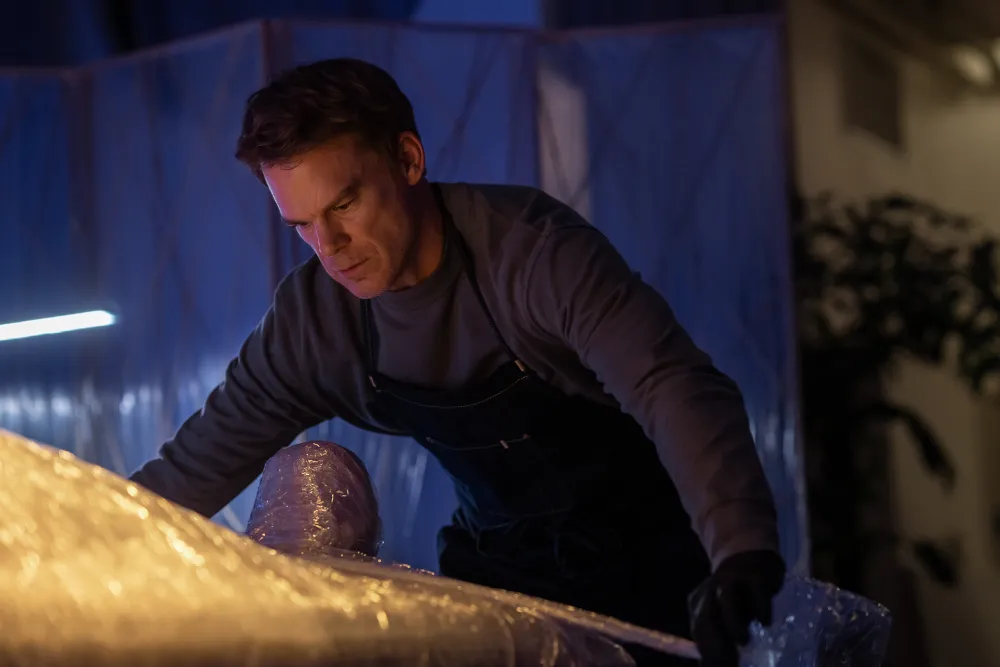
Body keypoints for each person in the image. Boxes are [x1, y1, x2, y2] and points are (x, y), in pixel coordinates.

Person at [129, 58, 785, 667]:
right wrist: (83, 555)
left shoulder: (534, 256)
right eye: (300, 224)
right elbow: (190, 472)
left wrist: (740, 546)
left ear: (408, 159)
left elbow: (670, 384)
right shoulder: (316, 322)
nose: (329, 246)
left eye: (344, 204)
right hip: (501, 579)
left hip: (659, 573)